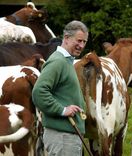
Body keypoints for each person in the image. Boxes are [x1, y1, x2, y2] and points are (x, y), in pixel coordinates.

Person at [32, 20, 88, 156]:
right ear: (67, 38)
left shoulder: (66, 61)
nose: (81, 46)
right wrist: (62, 110)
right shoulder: (58, 62)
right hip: (63, 138)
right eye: (79, 41)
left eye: (84, 42)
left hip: (66, 137)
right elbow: (39, 92)